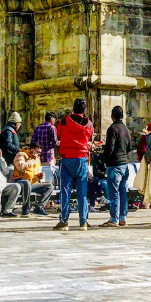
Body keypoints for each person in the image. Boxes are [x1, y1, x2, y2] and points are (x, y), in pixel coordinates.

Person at [54, 98, 93, 231]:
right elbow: (89, 137)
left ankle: (64, 221)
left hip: (67, 159)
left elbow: (58, 135)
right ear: (84, 110)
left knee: (65, 191)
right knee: (83, 193)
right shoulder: (89, 124)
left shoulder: (63, 122)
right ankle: (83, 222)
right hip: (81, 159)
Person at [13, 141, 53, 216]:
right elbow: (21, 167)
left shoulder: (37, 159)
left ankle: (39, 207)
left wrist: (39, 177)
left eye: (40, 152)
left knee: (49, 186)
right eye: (37, 152)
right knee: (27, 183)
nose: (39, 154)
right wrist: (32, 160)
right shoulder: (21, 154)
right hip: (20, 181)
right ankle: (26, 208)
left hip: (31, 183)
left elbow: (35, 173)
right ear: (32, 149)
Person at [31, 111, 59, 183]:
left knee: (39, 176)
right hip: (49, 156)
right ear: (51, 119)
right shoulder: (52, 128)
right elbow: (55, 141)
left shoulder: (37, 128)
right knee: (49, 178)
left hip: (38, 157)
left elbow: (33, 142)